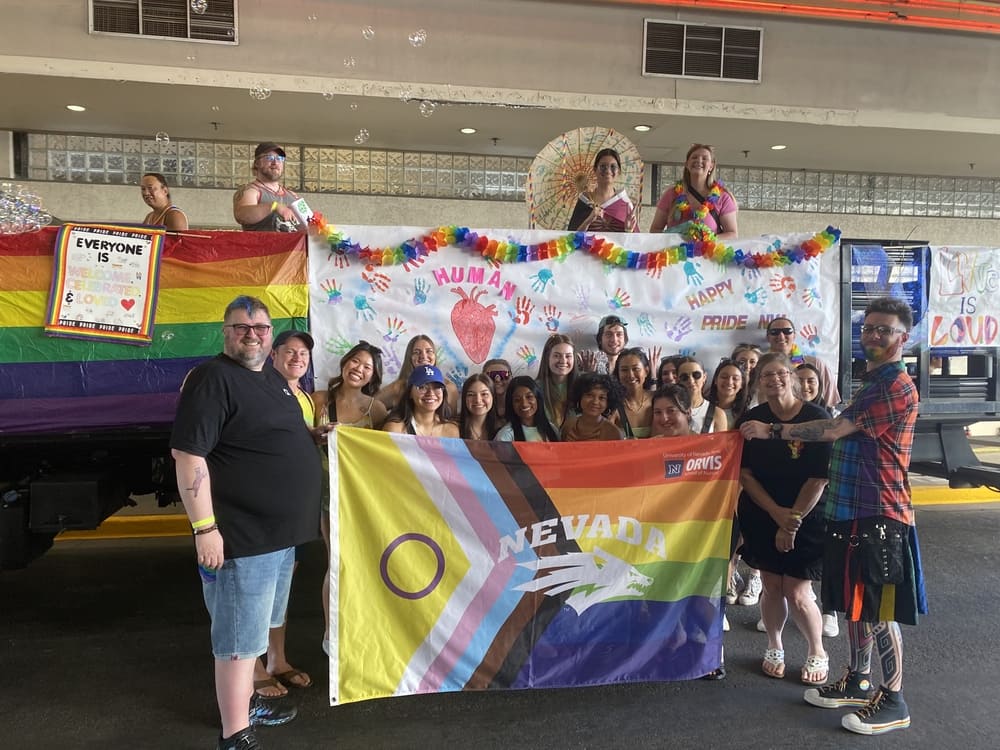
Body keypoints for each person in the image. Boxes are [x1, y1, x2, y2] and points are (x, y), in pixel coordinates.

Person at [741, 297, 924, 736]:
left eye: (885, 330)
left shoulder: (895, 385)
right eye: (869, 328)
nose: (874, 335)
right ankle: (859, 681)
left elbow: (834, 430)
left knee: (880, 610)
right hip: (847, 513)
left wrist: (774, 430)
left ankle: (894, 698)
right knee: (853, 604)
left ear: (904, 337)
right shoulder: (872, 381)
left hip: (879, 512)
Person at [170, 295, 322, 750]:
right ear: (226, 331)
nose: (252, 334)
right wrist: (205, 528)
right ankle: (235, 734)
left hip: (277, 540)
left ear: (269, 334)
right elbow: (189, 455)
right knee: (238, 640)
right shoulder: (213, 379)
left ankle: (246, 705)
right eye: (242, 327)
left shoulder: (271, 381)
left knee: (256, 631)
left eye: (260, 327)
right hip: (242, 537)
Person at [736, 353, 831, 686]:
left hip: (806, 513)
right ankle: (774, 645)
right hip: (762, 511)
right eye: (765, 375)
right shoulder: (751, 420)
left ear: (791, 377)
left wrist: (791, 519)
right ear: (758, 382)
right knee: (772, 585)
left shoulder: (816, 417)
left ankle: (817, 650)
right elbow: (745, 474)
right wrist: (776, 514)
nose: (773, 379)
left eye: (780, 373)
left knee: (797, 590)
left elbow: (818, 478)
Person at [249, 330, 317, 700]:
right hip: (264, 510)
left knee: (280, 589)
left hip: (292, 513)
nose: (297, 358)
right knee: (255, 590)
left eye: (303, 353)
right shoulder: (260, 389)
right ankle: (254, 667)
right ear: (273, 355)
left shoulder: (303, 397)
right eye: (289, 351)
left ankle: (277, 659)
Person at [311, 340, 387, 656]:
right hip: (329, 491)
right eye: (355, 361)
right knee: (336, 560)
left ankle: (362, 628)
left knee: (364, 563)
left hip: (362, 496)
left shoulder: (376, 409)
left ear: (372, 376)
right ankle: (332, 635)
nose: (358, 369)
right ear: (344, 363)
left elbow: (385, 455)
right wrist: (313, 434)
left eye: (366, 367)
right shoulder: (318, 400)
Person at [797, 361, 842, 639]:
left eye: (810, 380)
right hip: (794, 492)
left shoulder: (835, 417)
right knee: (800, 553)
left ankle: (830, 609)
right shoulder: (784, 416)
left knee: (826, 554)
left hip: (827, 495)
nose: (804, 386)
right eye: (798, 380)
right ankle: (804, 600)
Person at [649, 143, 739, 239]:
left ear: (711, 166)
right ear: (687, 164)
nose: (699, 160)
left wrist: (706, 240)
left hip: (708, 253)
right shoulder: (671, 194)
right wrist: (675, 238)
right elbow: (655, 230)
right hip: (674, 252)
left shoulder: (722, 197)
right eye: (694, 157)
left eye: (704, 158)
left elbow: (732, 234)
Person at [764, 316, 841, 407]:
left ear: (794, 335)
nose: (781, 336)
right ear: (768, 337)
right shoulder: (760, 365)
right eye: (775, 332)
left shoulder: (816, 363)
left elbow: (830, 402)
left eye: (787, 331)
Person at [376, 334, 459, 414]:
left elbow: (452, 420)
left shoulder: (449, 388)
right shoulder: (398, 388)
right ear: (410, 357)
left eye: (429, 351)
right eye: (417, 352)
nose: (423, 356)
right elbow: (370, 406)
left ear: (435, 356)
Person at [233, 142, 305, 232]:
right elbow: (242, 216)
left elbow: (307, 226)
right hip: (261, 245)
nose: (275, 162)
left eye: (279, 158)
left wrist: (318, 225)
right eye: (269, 157)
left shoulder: (293, 196)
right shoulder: (251, 191)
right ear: (257, 163)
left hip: (291, 246)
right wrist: (274, 206)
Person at [566, 148, 639, 233]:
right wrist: (588, 221)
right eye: (603, 166)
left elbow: (634, 243)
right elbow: (571, 239)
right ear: (595, 170)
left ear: (619, 171)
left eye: (613, 166)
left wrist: (628, 230)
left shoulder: (625, 203)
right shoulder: (585, 201)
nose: (608, 171)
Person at [382, 364, 460, 438]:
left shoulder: (451, 430)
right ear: (410, 393)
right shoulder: (395, 429)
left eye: (437, 387)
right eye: (422, 387)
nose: (430, 393)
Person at [561, 373, 624, 442]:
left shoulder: (614, 433)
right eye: (589, 395)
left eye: (601, 398)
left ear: (608, 402)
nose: (595, 402)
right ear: (579, 397)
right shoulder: (568, 425)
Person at [494, 376, 560, 442]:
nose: (524, 404)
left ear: (537, 398)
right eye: (517, 400)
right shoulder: (506, 435)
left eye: (529, 397)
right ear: (511, 404)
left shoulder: (552, 429)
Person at [676, 357, 728, 434]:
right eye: (684, 377)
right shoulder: (669, 410)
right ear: (677, 380)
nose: (691, 380)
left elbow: (722, 445)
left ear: (704, 377)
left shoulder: (718, 414)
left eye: (696, 375)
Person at [535, 334, 576, 428]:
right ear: (547, 357)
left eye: (568, 356)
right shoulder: (535, 388)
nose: (563, 361)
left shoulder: (583, 386)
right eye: (557, 356)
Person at [614, 347, 654, 438]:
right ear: (618, 374)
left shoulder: (657, 400)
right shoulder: (614, 405)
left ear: (646, 371)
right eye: (624, 370)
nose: (631, 375)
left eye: (636, 369)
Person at [707, 358, 748, 429]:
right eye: (724, 377)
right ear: (715, 380)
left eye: (735, 378)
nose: (729, 382)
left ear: (742, 384)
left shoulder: (746, 414)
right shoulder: (703, 407)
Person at [459, 373, 498, 440]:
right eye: (471, 394)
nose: (478, 400)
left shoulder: (501, 428)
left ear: (493, 397)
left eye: (484, 394)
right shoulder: (454, 428)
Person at [482, 358, 513, 425]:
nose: (497, 380)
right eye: (491, 375)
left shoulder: (519, 403)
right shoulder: (477, 405)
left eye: (504, 375)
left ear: (511, 377)